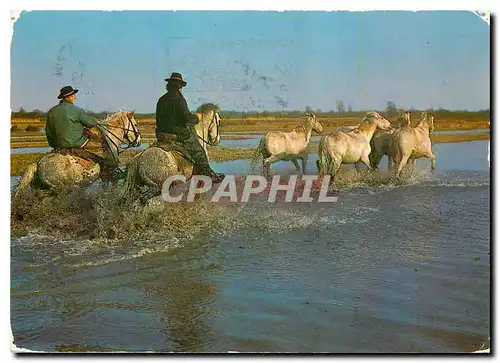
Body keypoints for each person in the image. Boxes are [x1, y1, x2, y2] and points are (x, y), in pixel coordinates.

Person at [155, 72, 225, 183]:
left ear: (169, 85)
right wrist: (197, 118)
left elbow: (159, 119)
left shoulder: (161, 99)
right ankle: (210, 174)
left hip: (161, 134)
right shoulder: (180, 100)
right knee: (199, 151)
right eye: (181, 86)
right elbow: (187, 117)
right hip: (178, 135)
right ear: (179, 86)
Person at [45, 85, 119, 180]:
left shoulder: (52, 111)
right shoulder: (76, 110)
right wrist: (95, 121)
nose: (75, 97)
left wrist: (55, 144)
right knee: (102, 161)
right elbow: (89, 123)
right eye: (74, 95)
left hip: (57, 146)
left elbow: (48, 132)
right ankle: (108, 181)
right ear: (69, 97)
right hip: (76, 144)